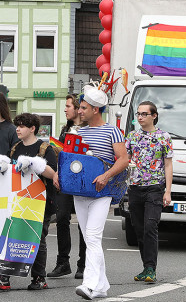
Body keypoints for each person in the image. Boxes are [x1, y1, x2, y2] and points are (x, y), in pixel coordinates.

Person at [0, 113, 60, 291]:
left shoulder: (44, 148)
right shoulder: (16, 147)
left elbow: (53, 174)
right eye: (17, 125)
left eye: (22, 126)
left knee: (37, 238)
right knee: (13, 236)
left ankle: (39, 278)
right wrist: (2, 165)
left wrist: (34, 163)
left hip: (40, 202)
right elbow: (12, 171)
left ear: (32, 128)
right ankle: (4, 277)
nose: (18, 129)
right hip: (18, 200)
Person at [73, 86, 129, 300]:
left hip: (102, 192)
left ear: (95, 109)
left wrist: (106, 176)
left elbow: (123, 159)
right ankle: (102, 286)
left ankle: (89, 285)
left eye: (83, 108)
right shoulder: (79, 132)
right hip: (80, 192)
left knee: (93, 236)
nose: (79, 111)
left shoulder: (112, 130)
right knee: (90, 239)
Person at [125, 101, 172, 284]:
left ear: (154, 116)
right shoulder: (132, 136)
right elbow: (125, 159)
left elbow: (168, 164)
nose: (140, 117)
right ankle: (146, 267)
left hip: (155, 188)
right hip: (135, 188)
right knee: (139, 229)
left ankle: (151, 268)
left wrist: (168, 191)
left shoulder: (163, 137)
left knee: (151, 225)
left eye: (144, 114)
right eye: (138, 114)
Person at [47, 94, 88, 280]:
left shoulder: (89, 129)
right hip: (65, 180)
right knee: (62, 218)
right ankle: (63, 263)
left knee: (83, 223)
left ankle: (84, 264)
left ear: (78, 108)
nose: (65, 109)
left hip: (83, 182)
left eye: (68, 106)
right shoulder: (66, 129)